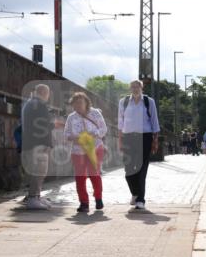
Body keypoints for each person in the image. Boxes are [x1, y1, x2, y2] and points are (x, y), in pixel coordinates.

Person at [117, 80, 160, 210]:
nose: (135, 89)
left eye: (137, 86)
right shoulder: (123, 102)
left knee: (142, 169)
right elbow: (120, 122)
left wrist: (155, 140)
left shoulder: (148, 101)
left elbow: (154, 121)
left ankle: (141, 199)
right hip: (128, 138)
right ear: (130, 88)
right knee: (128, 169)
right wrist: (119, 140)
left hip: (145, 137)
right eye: (133, 87)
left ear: (142, 88)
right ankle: (135, 193)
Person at [64, 92, 107, 212]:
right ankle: (84, 203)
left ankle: (98, 198)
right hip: (78, 150)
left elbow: (104, 129)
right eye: (75, 103)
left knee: (94, 173)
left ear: (86, 102)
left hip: (95, 147)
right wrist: (74, 138)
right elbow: (66, 134)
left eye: (80, 102)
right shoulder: (71, 117)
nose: (77, 105)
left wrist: (95, 134)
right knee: (80, 177)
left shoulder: (95, 113)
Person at [20, 84, 53, 210]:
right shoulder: (39, 105)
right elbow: (42, 127)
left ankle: (36, 197)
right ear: (44, 92)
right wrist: (47, 143)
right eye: (48, 94)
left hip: (31, 143)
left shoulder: (29, 104)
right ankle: (33, 198)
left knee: (38, 172)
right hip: (38, 145)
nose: (48, 97)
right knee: (39, 172)